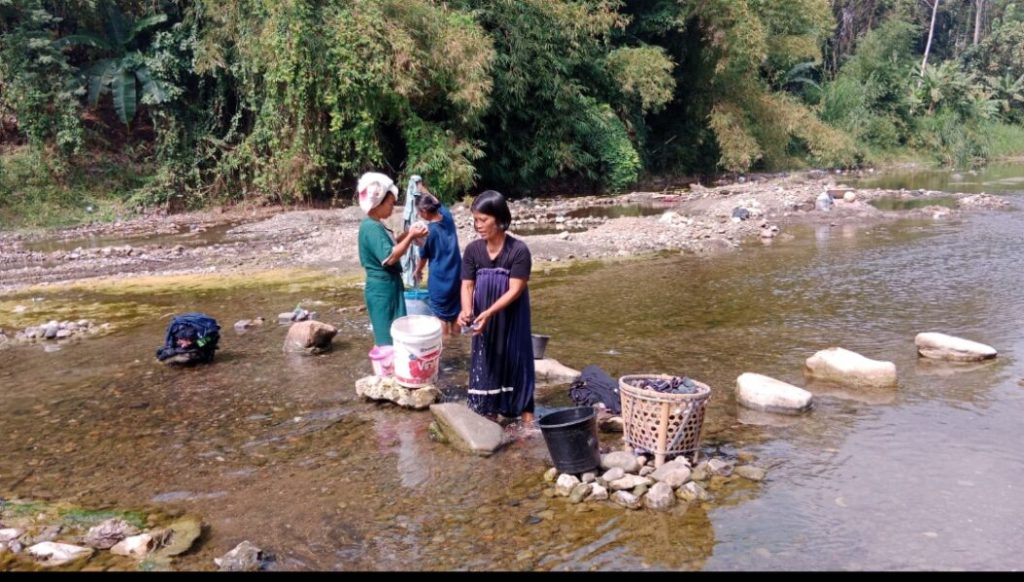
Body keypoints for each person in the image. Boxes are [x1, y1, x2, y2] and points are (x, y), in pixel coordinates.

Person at [457, 190, 536, 425]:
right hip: (484, 320)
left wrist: (489, 312)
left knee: (516, 359)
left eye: (483, 220)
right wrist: (466, 310)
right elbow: (467, 285)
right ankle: (489, 416)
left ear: (500, 219)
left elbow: (515, 289)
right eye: (475, 220)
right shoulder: (473, 250)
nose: (478, 226)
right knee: (488, 360)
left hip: (511, 317)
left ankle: (527, 424)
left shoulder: (518, 250)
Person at [357, 172, 428, 347]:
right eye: (390, 203)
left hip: (389, 287)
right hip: (382, 290)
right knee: (387, 339)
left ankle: (393, 371)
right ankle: (386, 371)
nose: (392, 207)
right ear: (378, 202)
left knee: (397, 335)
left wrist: (407, 234)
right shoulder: (371, 227)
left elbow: (391, 246)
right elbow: (389, 257)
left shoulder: (376, 225)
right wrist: (411, 236)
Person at [412, 184, 462, 337]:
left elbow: (423, 257)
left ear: (425, 211)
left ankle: (446, 351)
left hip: (440, 280)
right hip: (457, 275)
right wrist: (424, 189)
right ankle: (457, 345)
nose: (419, 215)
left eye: (419, 212)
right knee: (456, 313)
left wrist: (417, 271)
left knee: (440, 316)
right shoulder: (447, 217)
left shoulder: (428, 232)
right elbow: (436, 201)